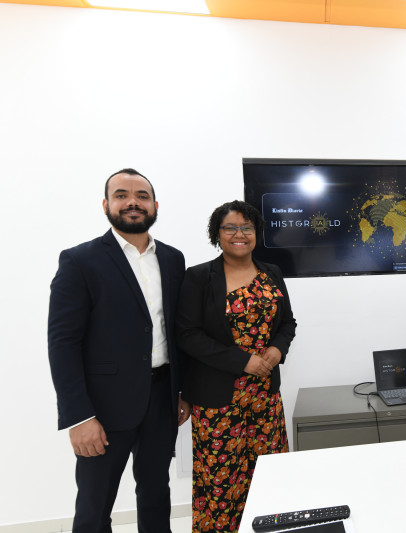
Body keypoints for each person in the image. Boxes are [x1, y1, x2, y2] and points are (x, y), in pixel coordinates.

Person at [48, 168, 189, 533]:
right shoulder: (80, 261)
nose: (132, 202)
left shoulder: (173, 259)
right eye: (122, 195)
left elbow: (176, 331)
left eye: (142, 195)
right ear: (106, 204)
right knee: (95, 506)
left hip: (161, 400)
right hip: (103, 408)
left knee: (157, 494)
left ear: (155, 205)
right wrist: (79, 417)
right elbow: (63, 343)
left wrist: (181, 391)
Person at [177, 200, 296, 533]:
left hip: (265, 399)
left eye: (247, 227)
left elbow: (288, 323)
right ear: (218, 234)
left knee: (269, 477)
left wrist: (276, 350)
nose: (239, 234)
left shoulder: (272, 273)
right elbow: (188, 335)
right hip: (218, 402)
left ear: (256, 233)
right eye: (230, 227)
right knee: (220, 485)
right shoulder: (198, 277)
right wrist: (244, 361)